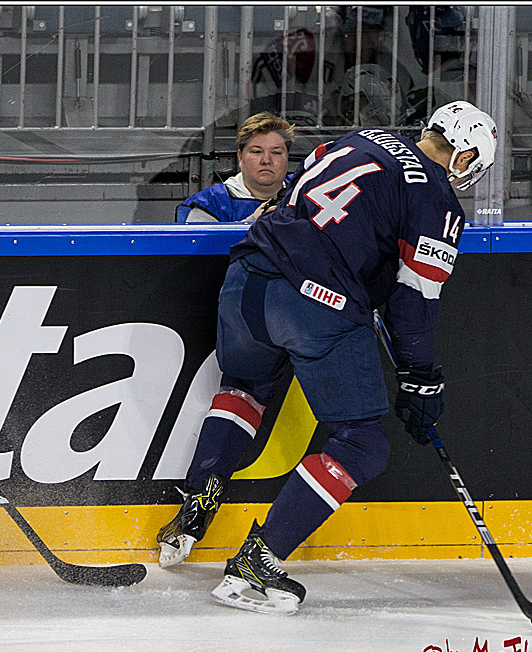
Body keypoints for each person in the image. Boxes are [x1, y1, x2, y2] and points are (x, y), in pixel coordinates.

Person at [156, 101, 497, 615]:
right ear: (465, 155)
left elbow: (300, 195)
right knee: (362, 445)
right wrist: (420, 378)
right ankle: (256, 564)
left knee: (244, 388)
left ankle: (195, 507)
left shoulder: (364, 137)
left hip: (247, 279)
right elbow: (414, 301)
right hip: (316, 303)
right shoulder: (438, 200)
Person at [175, 113, 295, 224]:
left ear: (287, 157)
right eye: (256, 152)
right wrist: (253, 222)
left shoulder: (301, 193)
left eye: (276, 152)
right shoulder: (211, 204)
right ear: (240, 157)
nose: (266, 160)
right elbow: (200, 241)